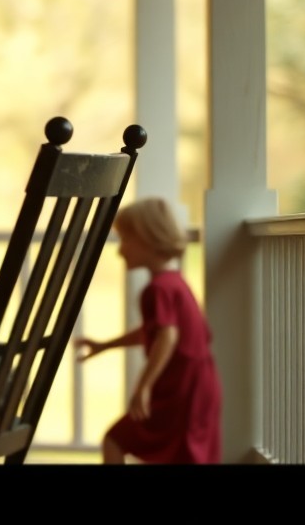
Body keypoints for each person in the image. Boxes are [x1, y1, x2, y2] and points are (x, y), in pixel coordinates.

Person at [75, 197, 221, 464]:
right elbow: (153, 331)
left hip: (179, 389)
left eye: (125, 240)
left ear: (147, 239)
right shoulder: (175, 282)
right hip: (199, 386)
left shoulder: (157, 290)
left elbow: (167, 336)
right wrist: (104, 345)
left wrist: (143, 386)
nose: (120, 252)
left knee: (115, 439)